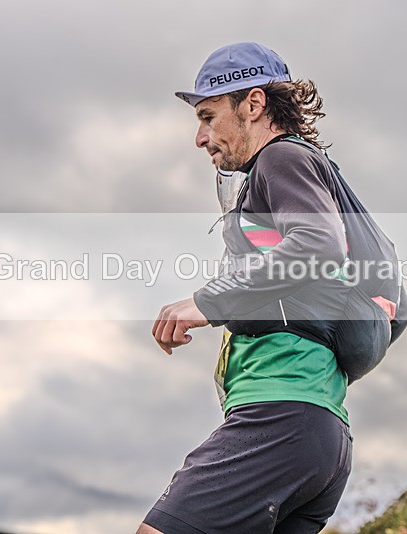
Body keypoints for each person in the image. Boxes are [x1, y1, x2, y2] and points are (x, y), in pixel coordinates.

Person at [139, 42, 364, 534]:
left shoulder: (280, 158)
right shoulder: (300, 172)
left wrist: (203, 303)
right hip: (320, 429)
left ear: (254, 105)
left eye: (208, 116)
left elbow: (316, 245)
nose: (200, 137)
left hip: (280, 414)